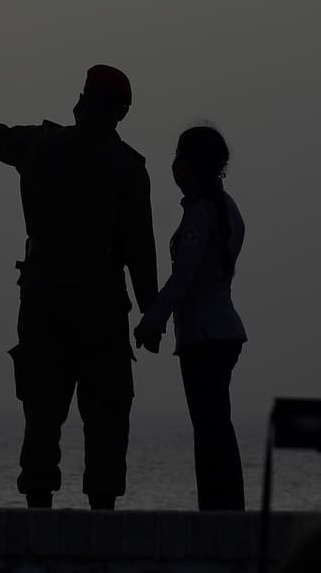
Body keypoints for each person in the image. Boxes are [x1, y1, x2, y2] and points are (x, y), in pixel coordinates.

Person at [0, 65, 157, 510]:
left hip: (47, 298)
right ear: (121, 113)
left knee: (45, 409)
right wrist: (151, 311)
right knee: (102, 413)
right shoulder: (127, 167)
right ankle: (99, 512)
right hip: (99, 304)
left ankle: (40, 508)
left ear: (87, 101)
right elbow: (140, 250)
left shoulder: (42, 146)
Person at [133, 125, 247, 511]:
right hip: (222, 331)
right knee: (217, 427)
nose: (174, 165)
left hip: (204, 335)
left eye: (180, 156)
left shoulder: (200, 214)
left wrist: (152, 321)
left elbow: (184, 278)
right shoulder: (227, 208)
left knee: (210, 431)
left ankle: (218, 511)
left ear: (192, 164)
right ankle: (226, 509)